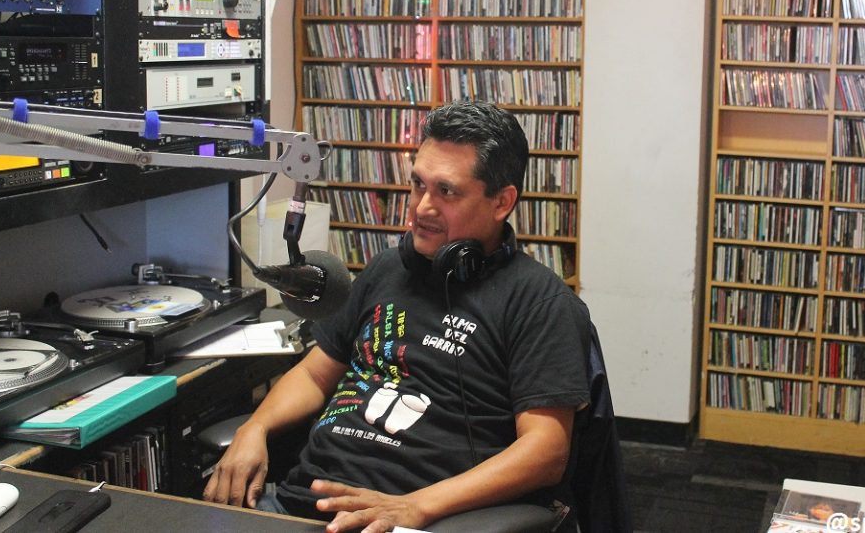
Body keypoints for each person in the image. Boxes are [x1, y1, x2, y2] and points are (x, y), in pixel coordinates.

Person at [204, 101, 592, 533]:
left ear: (502, 202)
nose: (422, 207)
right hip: (297, 507)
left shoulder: (539, 302)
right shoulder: (387, 269)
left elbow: (546, 451)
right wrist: (255, 429)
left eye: (446, 191)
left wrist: (415, 508)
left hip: (417, 522)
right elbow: (315, 375)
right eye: (417, 185)